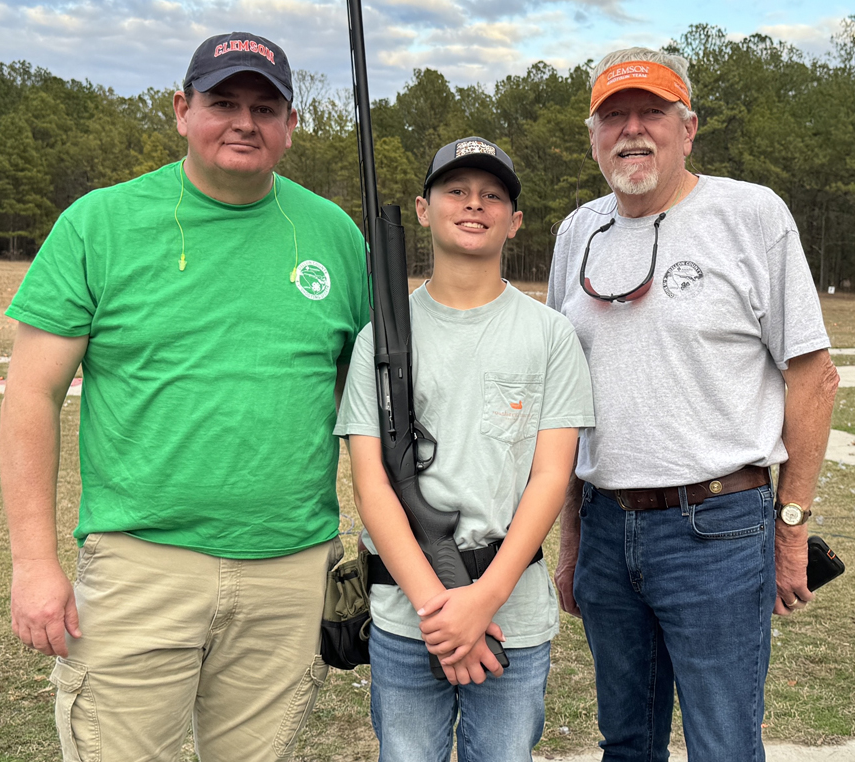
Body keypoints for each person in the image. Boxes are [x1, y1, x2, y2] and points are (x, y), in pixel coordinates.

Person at [0, 32, 368, 762]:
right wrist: (33, 562)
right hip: (142, 564)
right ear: (180, 109)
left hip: (290, 570)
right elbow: (31, 395)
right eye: (222, 101)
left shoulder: (335, 236)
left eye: (266, 107)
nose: (244, 121)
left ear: (291, 125)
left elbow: (366, 408)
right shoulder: (99, 224)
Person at [546, 47, 839, 761]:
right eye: (614, 116)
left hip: (720, 528)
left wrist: (791, 528)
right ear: (593, 136)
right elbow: (564, 395)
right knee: (627, 740)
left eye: (651, 113)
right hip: (609, 532)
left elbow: (814, 376)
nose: (633, 130)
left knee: (723, 743)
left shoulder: (748, 214)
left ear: (688, 128)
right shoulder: (575, 232)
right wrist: (573, 541)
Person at [335, 136, 595, 761]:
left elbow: (550, 479)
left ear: (515, 220)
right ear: (423, 209)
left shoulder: (550, 335)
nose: (473, 204)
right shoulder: (380, 338)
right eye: (455, 190)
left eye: (491, 195)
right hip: (406, 619)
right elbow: (372, 486)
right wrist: (440, 610)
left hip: (515, 615)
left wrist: (480, 602)